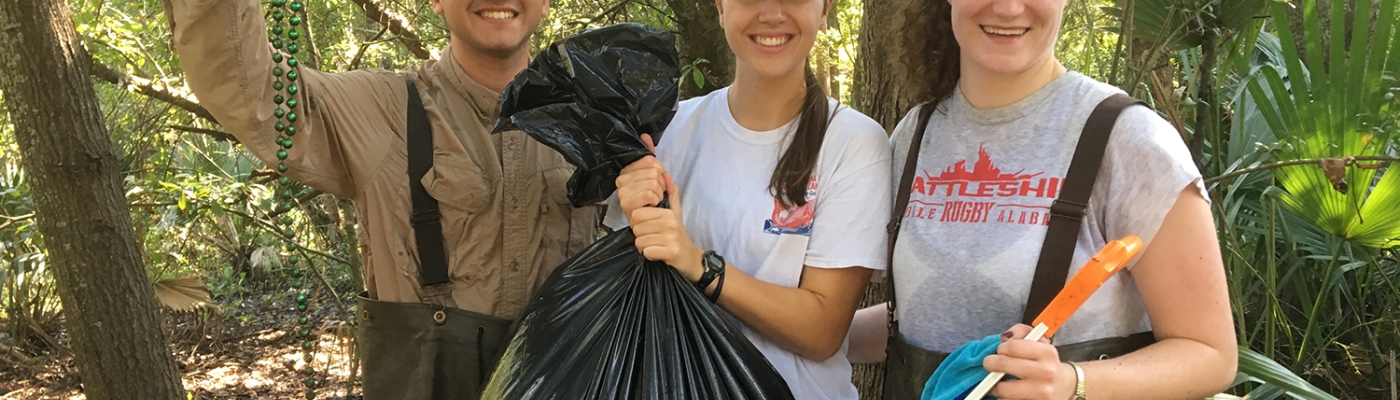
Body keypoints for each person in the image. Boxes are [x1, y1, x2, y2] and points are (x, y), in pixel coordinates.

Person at [163, 0, 601, 398]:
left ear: (546, 4)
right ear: (437, 3)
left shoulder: (599, 124)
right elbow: (250, 90)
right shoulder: (384, 110)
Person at [844, 0, 1238, 398]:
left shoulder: (1129, 139)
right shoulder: (915, 133)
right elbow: (924, 315)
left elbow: (1210, 354)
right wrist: (810, 336)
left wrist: (1073, 383)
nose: (1010, 8)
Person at [605, 0, 890, 397]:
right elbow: (623, 297)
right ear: (721, 8)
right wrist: (635, 226)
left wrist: (698, 264)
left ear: (825, 10)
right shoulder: (665, 132)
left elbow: (822, 329)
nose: (772, 14)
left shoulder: (854, 143)